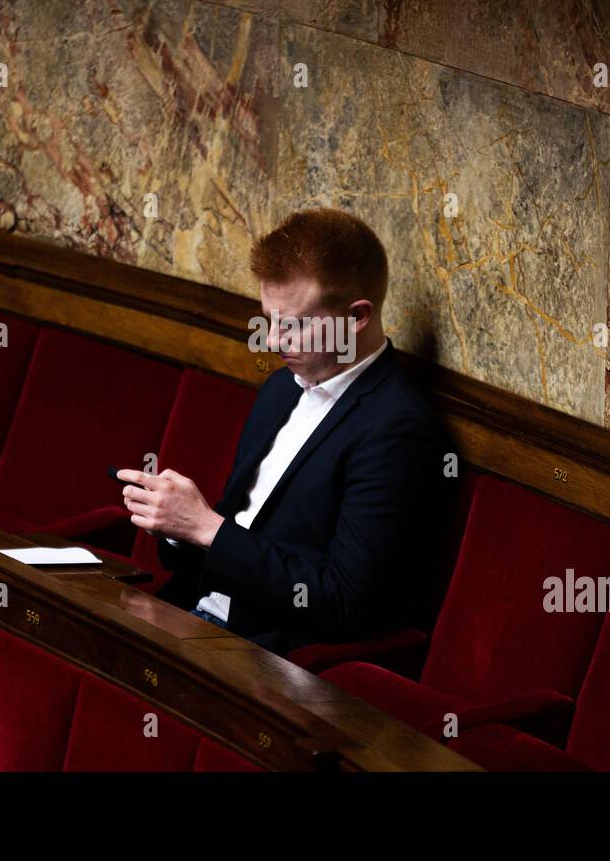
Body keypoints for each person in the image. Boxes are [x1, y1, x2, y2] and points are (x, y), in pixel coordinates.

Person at [117, 208, 455, 657]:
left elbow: (344, 603)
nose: (272, 341)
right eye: (268, 320)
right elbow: (236, 536)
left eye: (292, 325)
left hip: (266, 658)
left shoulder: (399, 430)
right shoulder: (280, 389)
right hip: (188, 615)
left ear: (356, 317)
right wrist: (178, 527)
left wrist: (208, 529)